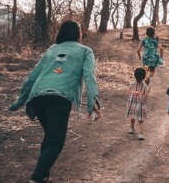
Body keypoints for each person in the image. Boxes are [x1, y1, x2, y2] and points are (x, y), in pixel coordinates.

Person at [9, 20, 102, 183]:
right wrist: (93, 103)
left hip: (37, 97)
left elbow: (32, 77)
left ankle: (43, 176)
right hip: (59, 98)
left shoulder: (52, 50)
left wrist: (20, 101)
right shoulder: (85, 51)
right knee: (55, 142)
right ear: (78, 34)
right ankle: (37, 178)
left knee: (50, 137)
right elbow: (90, 77)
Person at [126, 66, 150, 140]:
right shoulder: (145, 86)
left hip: (132, 103)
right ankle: (140, 133)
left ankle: (132, 128)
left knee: (132, 116)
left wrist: (134, 93)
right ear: (144, 76)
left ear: (134, 75)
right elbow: (146, 95)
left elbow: (129, 92)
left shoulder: (131, 84)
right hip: (140, 103)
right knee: (141, 119)